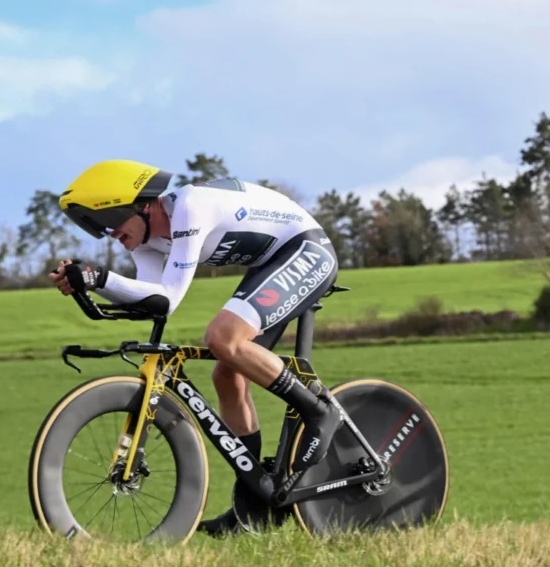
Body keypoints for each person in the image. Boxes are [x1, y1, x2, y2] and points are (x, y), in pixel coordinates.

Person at [54, 159, 342, 535]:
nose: (109, 235)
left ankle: (319, 412)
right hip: (272, 261)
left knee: (222, 338)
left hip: (306, 250)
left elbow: (169, 297)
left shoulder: (190, 208)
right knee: (227, 376)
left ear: (139, 205)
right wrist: (88, 282)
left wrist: (100, 277)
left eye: (109, 222)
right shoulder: (145, 243)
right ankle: (254, 498)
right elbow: (151, 300)